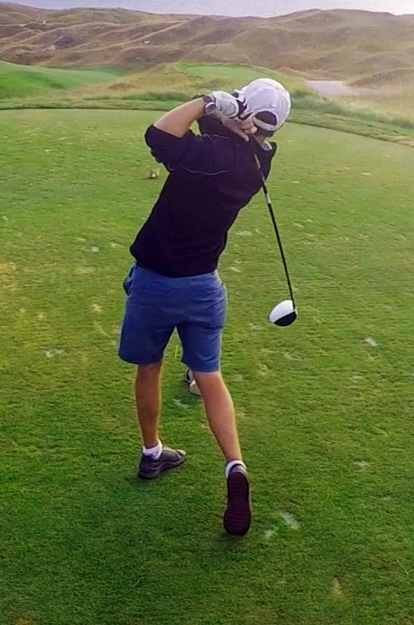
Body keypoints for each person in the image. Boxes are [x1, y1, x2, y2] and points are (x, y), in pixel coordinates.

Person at [118, 78, 291, 536]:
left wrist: (206, 101)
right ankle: (234, 465)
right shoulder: (259, 161)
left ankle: (152, 453)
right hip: (203, 288)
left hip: (157, 284)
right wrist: (232, 116)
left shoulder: (211, 156)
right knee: (209, 377)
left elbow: (158, 134)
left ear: (246, 114)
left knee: (149, 368)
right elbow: (225, 136)